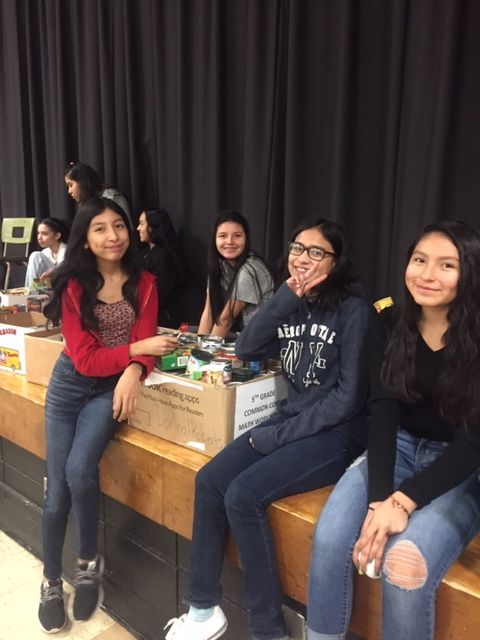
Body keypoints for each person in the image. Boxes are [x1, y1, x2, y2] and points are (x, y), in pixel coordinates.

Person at [163, 218, 372, 640]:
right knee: (209, 481)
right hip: (294, 420)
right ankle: (203, 610)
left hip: (339, 434)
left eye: (317, 252)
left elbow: (346, 400)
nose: (304, 259)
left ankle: (267, 630)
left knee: (242, 495)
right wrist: (283, 298)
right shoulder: (292, 302)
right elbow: (245, 347)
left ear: (337, 261)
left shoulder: (355, 309)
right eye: (297, 248)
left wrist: (277, 436)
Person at [306, 221, 480, 640]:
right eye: (419, 260)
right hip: (397, 448)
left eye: (446, 265)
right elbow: (383, 409)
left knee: (405, 565)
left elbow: (474, 442)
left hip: (459, 465)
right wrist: (377, 499)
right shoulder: (390, 319)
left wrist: (401, 503)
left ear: (470, 273)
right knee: (330, 540)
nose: (427, 274)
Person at [38, 197, 178, 634]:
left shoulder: (146, 281)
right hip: (70, 386)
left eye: (118, 225)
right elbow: (85, 360)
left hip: (110, 390)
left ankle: (85, 564)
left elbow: (149, 346)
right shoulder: (74, 286)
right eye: (99, 228)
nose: (112, 236)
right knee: (56, 492)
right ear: (85, 236)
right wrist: (137, 353)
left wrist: (134, 371)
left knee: (81, 470)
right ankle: (49, 581)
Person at [197, 211, 274, 337]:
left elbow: (226, 319)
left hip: (262, 341)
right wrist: (196, 349)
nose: (230, 241)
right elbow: (208, 311)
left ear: (246, 238)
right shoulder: (219, 265)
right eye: (222, 236)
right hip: (241, 336)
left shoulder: (251, 269)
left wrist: (205, 352)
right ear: (214, 239)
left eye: (237, 236)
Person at [137, 208, 188, 327]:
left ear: (153, 227)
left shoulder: (163, 257)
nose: (138, 228)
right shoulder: (144, 253)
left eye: (142, 223)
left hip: (160, 321)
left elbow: (160, 296)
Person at [64, 161, 132, 226]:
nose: (69, 191)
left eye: (71, 185)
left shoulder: (113, 198)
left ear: (83, 182)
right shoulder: (81, 206)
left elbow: (127, 228)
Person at [24, 217, 69, 286]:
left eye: (44, 234)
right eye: (38, 233)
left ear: (57, 235)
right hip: (49, 287)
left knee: (35, 255)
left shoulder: (66, 251)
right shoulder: (45, 253)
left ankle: (30, 293)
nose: (39, 237)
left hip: (63, 287)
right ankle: (32, 292)